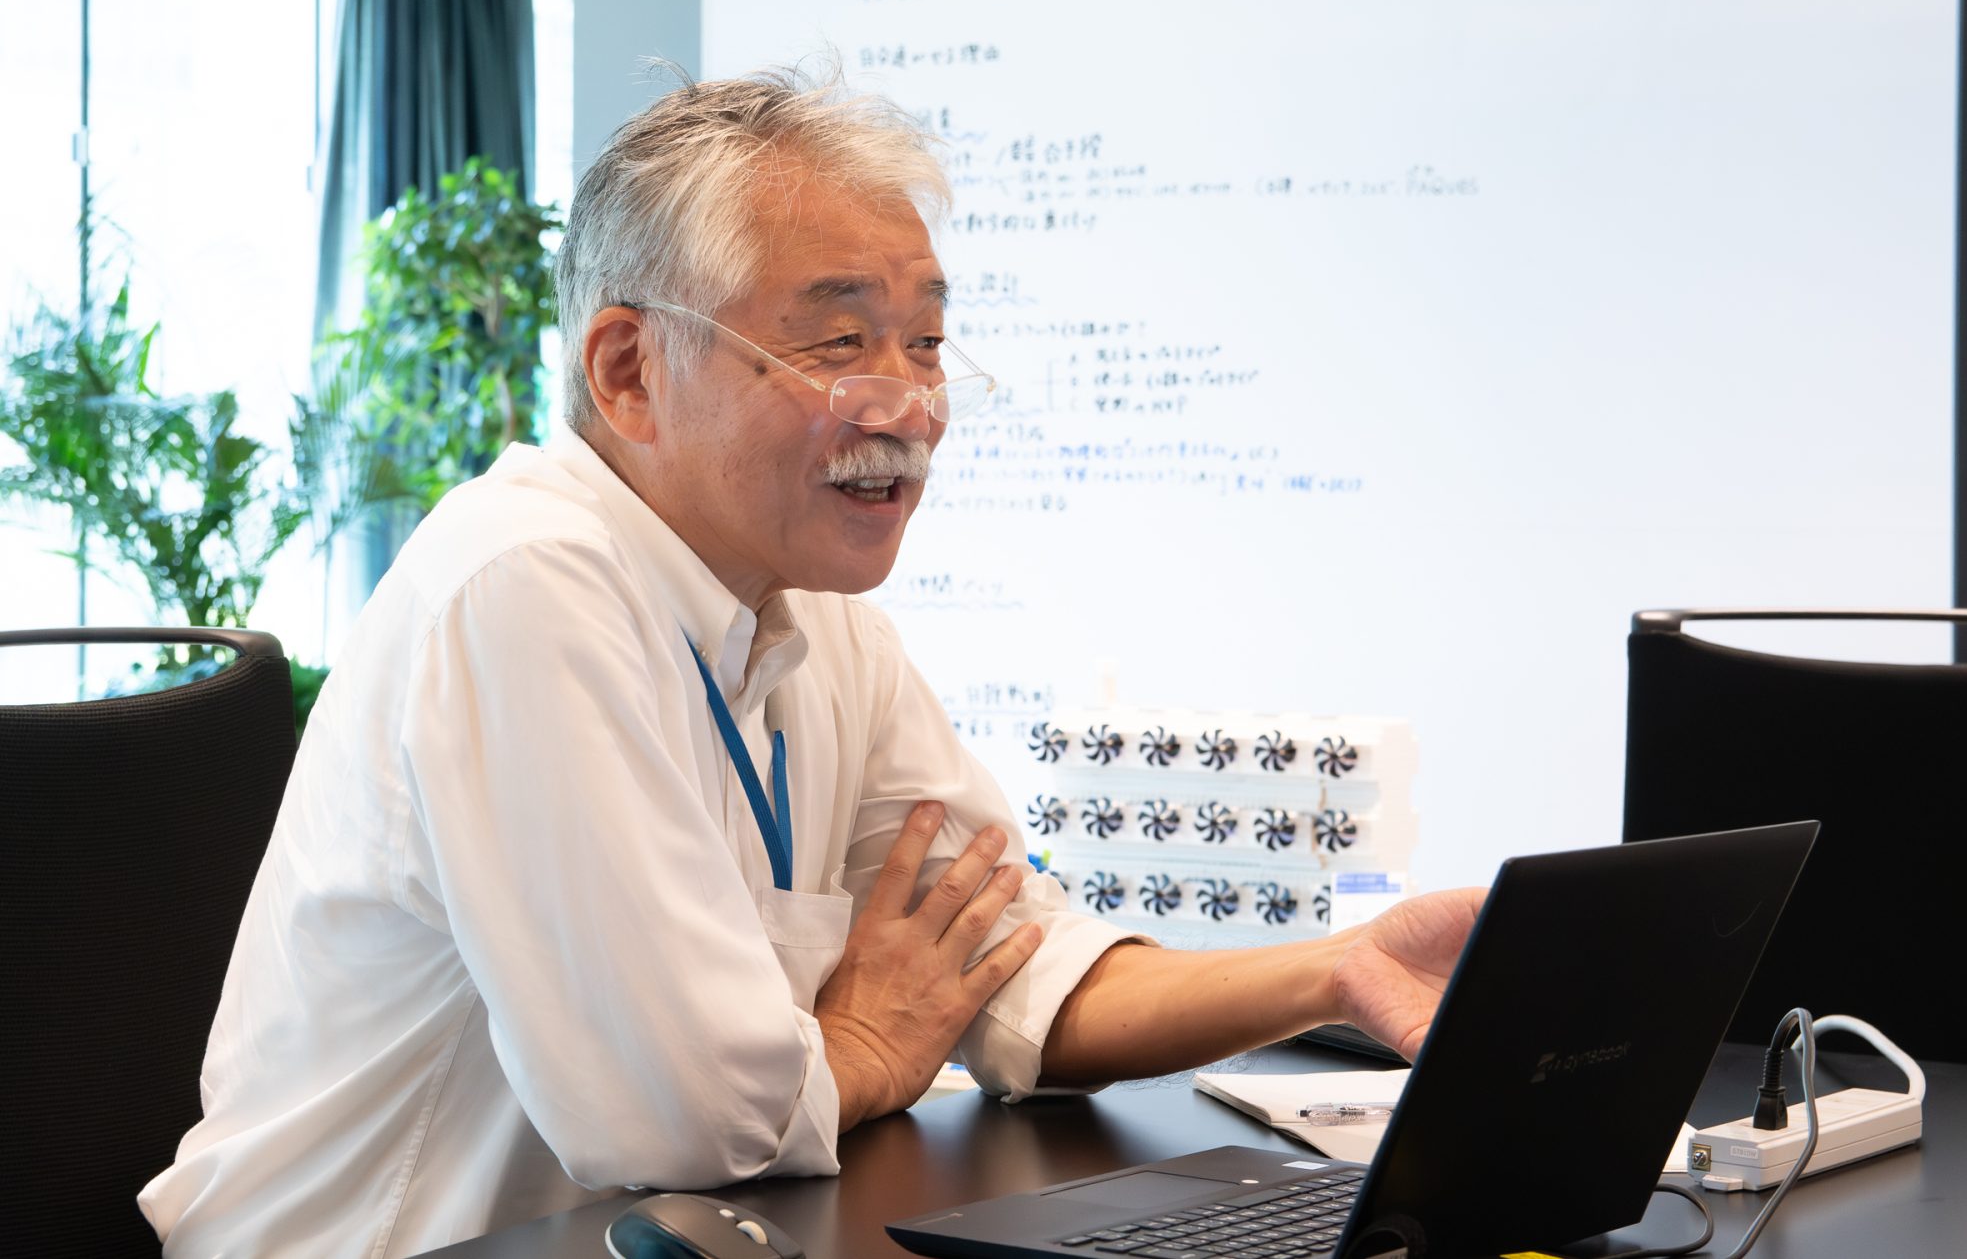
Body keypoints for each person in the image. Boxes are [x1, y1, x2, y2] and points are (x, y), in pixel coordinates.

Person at [140, 66, 1483, 1257]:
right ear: (628, 371)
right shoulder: (523, 581)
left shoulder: (816, 615)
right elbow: (678, 1119)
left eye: (927, 343)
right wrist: (863, 1041)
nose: (909, 405)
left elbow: (1010, 963)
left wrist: (1338, 968)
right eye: (840, 342)